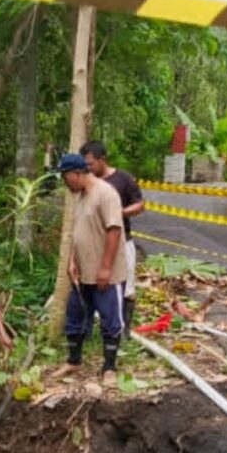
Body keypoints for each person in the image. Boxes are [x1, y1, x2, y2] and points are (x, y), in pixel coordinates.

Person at [54, 152, 127, 385]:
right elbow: (80, 233)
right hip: (83, 273)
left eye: (65, 178)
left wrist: (105, 268)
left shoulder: (105, 194)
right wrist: (72, 261)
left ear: (76, 174)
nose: (65, 183)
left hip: (106, 274)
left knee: (109, 320)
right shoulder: (81, 196)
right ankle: (74, 360)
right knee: (75, 315)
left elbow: (114, 230)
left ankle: (109, 368)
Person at [81, 140, 145, 336]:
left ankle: (123, 331)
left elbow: (140, 205)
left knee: (127, 287)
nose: (88, 168)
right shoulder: (87, 182)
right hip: (93, 245)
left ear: (102, 160)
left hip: (121, 243)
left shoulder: (123, 179)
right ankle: (91, 328)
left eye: (91, 164)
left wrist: (119, 213)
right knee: (91, 284)